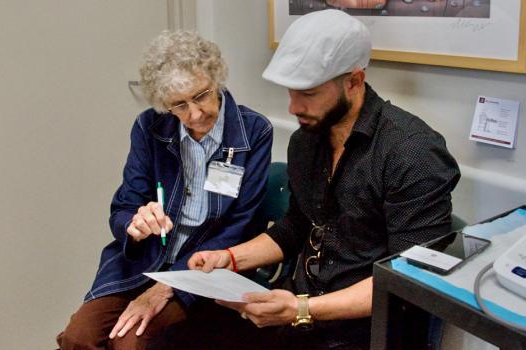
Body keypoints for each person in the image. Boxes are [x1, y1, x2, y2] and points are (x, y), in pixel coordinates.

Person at [151, 9, 460, 350]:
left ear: (354, 82)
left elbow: (410, 280)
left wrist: (302, 309)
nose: (293, 107)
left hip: (366, 329)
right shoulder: (307, 140)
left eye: (309, 94)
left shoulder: (412, 153)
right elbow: (296, 226)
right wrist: (229, 258)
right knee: (170, 342)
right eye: (291, 91)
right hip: (301, 310)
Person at [56, 30, 273, 350]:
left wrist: (169, 286)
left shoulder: (253, 132)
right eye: (179, 105)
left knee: (131, 342)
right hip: (142, 262)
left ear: (217, 78)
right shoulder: (150, 127)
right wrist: (135, 224)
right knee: (78, 338)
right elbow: (124, 206)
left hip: (204, 269)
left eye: (201, 96)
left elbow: (242, 225)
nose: (195, 114)